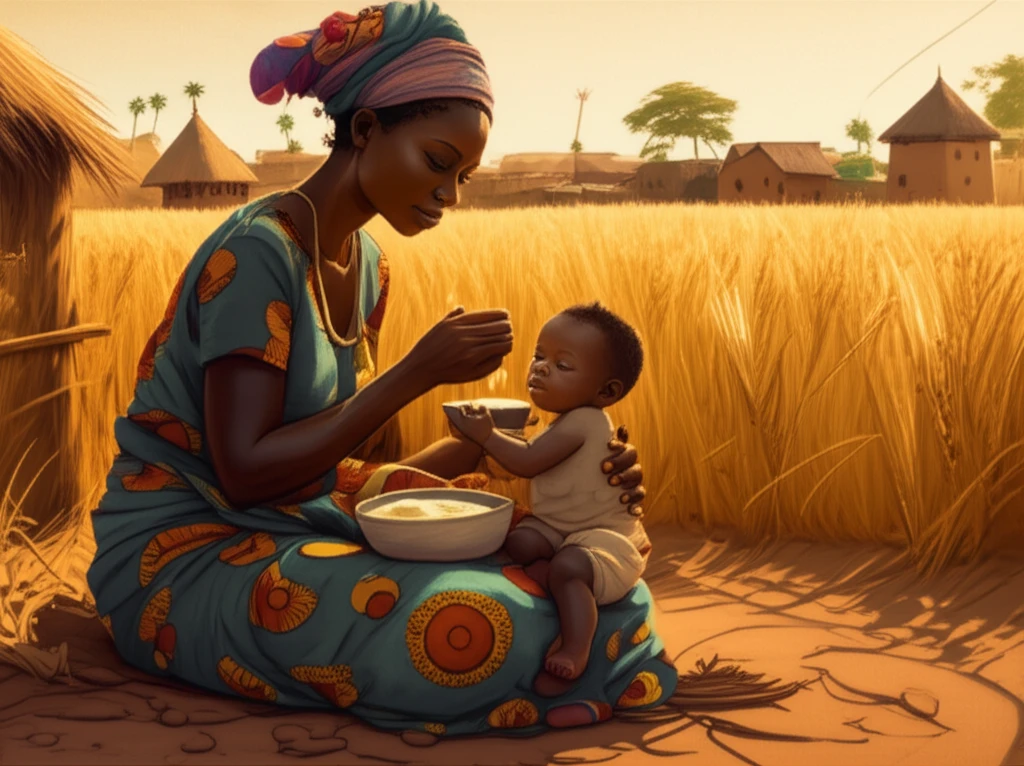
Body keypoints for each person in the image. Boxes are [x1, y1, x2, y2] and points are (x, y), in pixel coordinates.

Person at [87, 0, 678, 738]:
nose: (449, 196)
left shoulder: (368, 265)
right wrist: (416, 373)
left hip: (305, 511)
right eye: (437, 162)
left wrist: (571, 458)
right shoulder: (258, 256)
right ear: (365, 130)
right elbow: (241, 474)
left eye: (463, 175)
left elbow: (346, 463)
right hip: (186, 551)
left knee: (570, 564)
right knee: (470, 620)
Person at [447, 303, 650, 684]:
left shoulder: (586, 422)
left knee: (571, 568)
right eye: (539, 356)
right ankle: (552, 578)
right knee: (520, 542)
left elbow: (526, 463)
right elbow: (520, 463)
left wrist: (485, 435)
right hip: (561, 528)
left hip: (604, 538)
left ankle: (576, 647)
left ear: (606, 391)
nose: (540, 368)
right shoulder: (565, 421)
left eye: (562, 365)